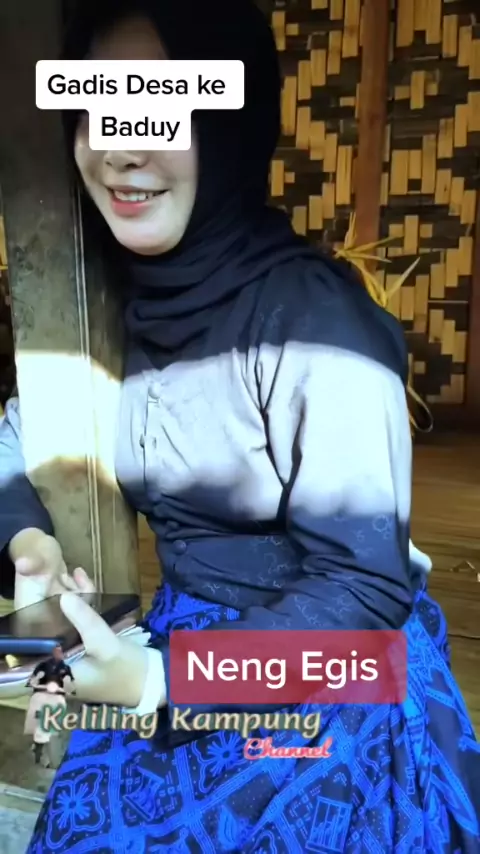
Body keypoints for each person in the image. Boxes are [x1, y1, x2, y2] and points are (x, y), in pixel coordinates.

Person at [0, 0, 479, 850]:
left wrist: (160, 682)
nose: (121, 147)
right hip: (170, 650)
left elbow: (364, 589)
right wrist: (29, 544)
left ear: (232, 123)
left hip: (329, 670)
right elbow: (18, 434)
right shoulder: (113, 303)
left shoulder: (318, 325)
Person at [24, 645, 74, 767]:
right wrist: (36, 680)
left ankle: (50, 758)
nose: (58, 654)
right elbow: (32, 680)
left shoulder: (66, 668)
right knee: (38, 723)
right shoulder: (42, 666)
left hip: (56, 699)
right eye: (56, 652)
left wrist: (69, 687)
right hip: (41, 696)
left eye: (60, 652)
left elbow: (70, 685)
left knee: (52, 728)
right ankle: (39, 748)